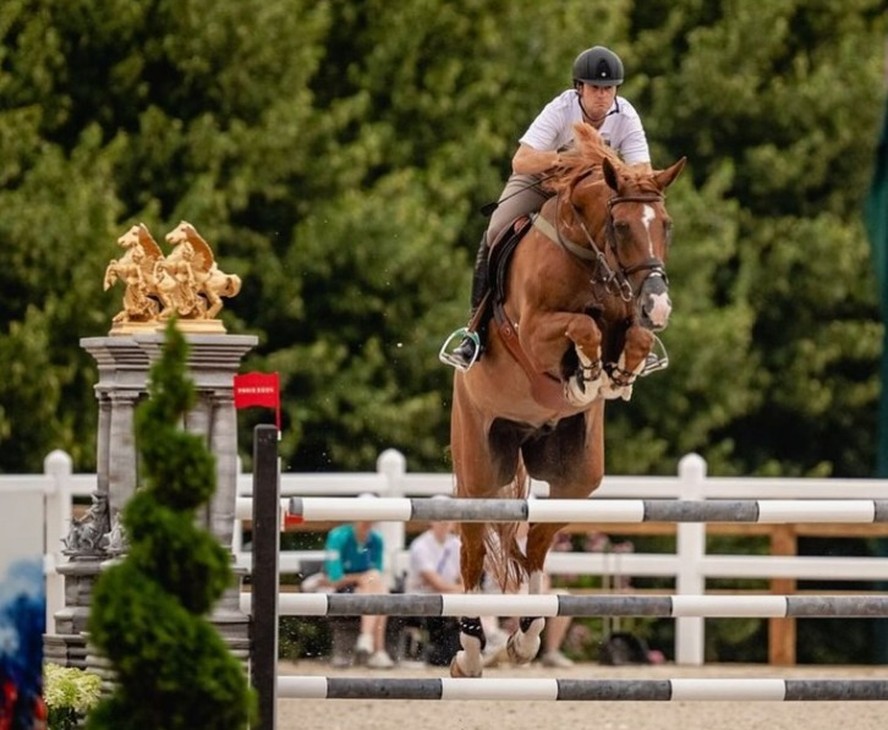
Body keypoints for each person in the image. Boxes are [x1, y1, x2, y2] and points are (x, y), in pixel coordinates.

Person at [440, 45, 655, 372]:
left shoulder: (625, 115)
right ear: (579, 87)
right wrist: (568, 161)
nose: (602, 96)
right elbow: (521, 160)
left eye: (609, 88)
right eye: (595, 88)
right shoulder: (560, 108)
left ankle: (638, 326)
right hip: (543, 181)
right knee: (497, 227)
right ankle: (474, 332)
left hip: (597, 191)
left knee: (637, 231)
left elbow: (642, 172)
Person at [323, 514, 395, 669]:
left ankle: (367, 637)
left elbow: (377, 572)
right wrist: (361, 577)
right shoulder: (338, 536)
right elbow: (334, 578)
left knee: (377, 588)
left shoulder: (376, 539)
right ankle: (378, 649)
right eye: (364, 519)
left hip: (366, 588)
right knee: (379, 590)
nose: (367, 523)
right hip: (340, 587)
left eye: (370, 519)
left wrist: (364, 579)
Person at [405, 515, 463, 666]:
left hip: (449, 596)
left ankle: (484, 641)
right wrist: (462, 590)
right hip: (423, 597)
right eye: (440, 519)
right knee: (465, 600)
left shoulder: (456, 544)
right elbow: (436, 583)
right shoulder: (420, 545)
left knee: (470, 599)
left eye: (447, 519)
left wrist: (464, 590)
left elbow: (463, 576)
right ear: (431, 521)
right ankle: (487, 641)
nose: (444, 523)